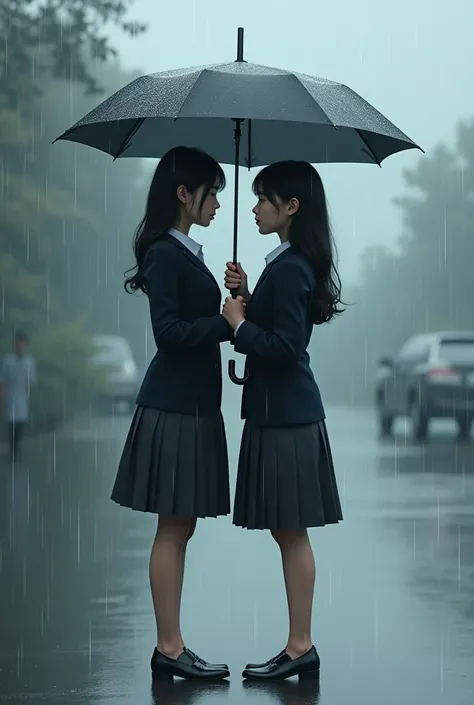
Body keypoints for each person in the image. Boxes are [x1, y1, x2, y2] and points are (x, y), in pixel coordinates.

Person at [111, 146, 239, 682]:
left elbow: (200, 319)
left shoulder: (187, 252)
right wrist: (225, 323)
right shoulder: (166, 253)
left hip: (190, 404)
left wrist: (234, 301)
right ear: (184, 194)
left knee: (180, 525)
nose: (217, 204)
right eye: (211, 193)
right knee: (172, 527)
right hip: (172, 404)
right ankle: (168, 647)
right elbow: (169, 335)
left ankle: (173, 644)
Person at [222, 160, 344, 682]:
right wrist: (249, 294)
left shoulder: (293, 266)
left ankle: (300, 646)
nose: (253, 208)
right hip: (284, 414)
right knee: (286, 531)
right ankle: (299, 644)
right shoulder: (288, 262)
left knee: (291, 534)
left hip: (288, 416)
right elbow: (280, 325)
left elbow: (287, 346)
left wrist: (241, 325)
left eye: (263, 199)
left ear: (291, 207)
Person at [0, 331, 36, 462]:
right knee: (12, 424)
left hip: (22, 397)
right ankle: (13, 450)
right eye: (17, 344)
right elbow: (2, 381)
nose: (20, 347)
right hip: (10, 396)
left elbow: (30, 382)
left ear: (25, 345)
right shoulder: (7, 361)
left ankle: (17, 449)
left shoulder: (29, 362)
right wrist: (2, 399)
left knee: (20, 423)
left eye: (22, 344)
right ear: (13, 345)